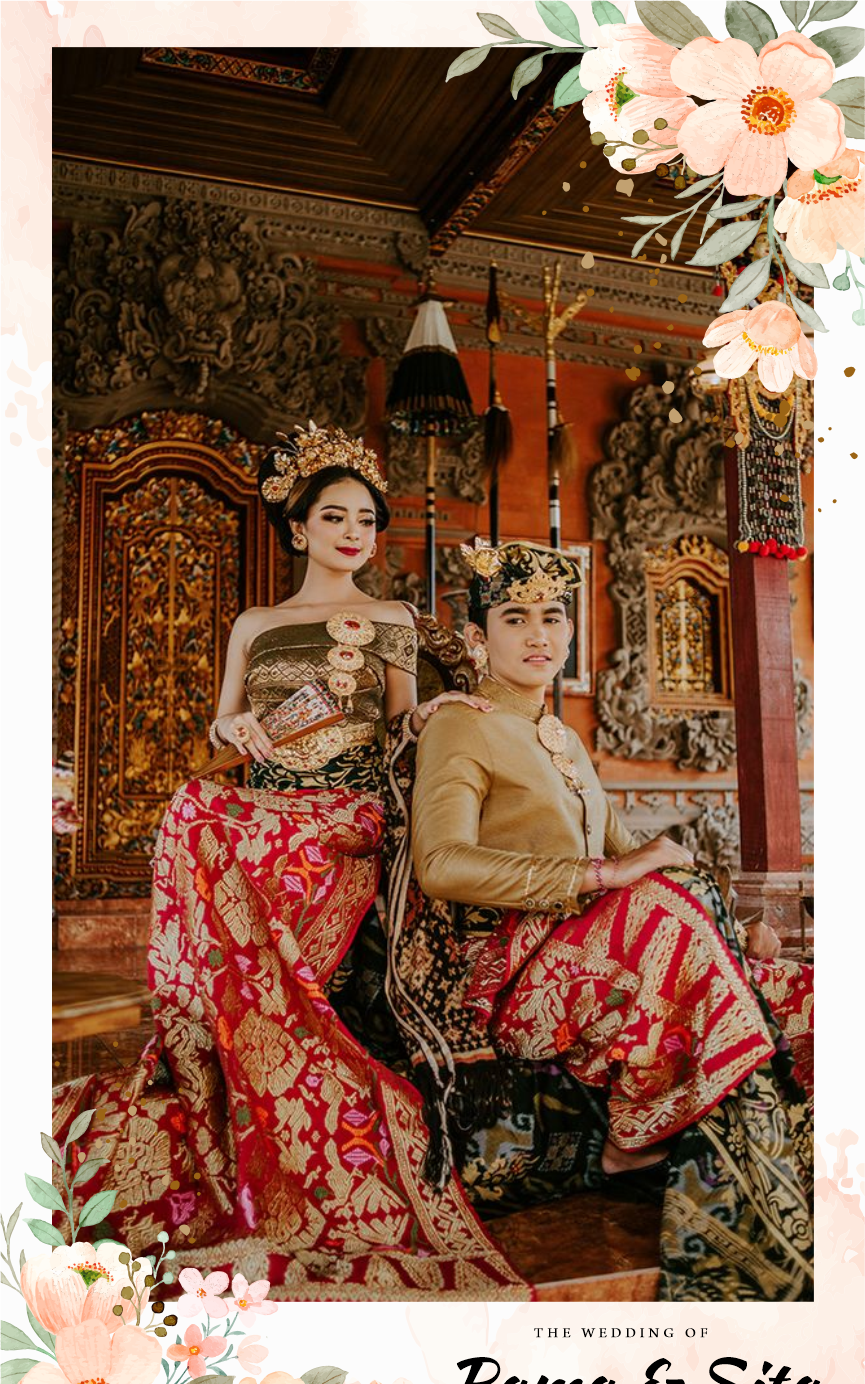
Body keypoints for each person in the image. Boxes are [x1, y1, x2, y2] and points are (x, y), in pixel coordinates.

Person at [54, 426, 527, 1302]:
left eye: (366, 520)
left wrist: (440, 712)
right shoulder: (256, 624)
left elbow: (400, 724)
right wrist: (230, 726)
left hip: (346, 812)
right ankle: (212, 1028)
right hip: (266, 803)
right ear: (300, 527)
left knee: (256, 836)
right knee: (193, 806)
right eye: (334, 517)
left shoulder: (390, 619)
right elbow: (222, 723)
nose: (353, 533)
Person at [390, 539, 814, 1299]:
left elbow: (637, 855)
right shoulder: (461, 725)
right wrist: (598, 877)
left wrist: (727, 922)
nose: (539, 635)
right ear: (478, 637)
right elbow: (441, 864)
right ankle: (632, 1132)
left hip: (599, 946)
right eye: (515, 618)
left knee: (791, 981)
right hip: (512, 969)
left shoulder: (563, 738)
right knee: (658, 908)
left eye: (553, 617)